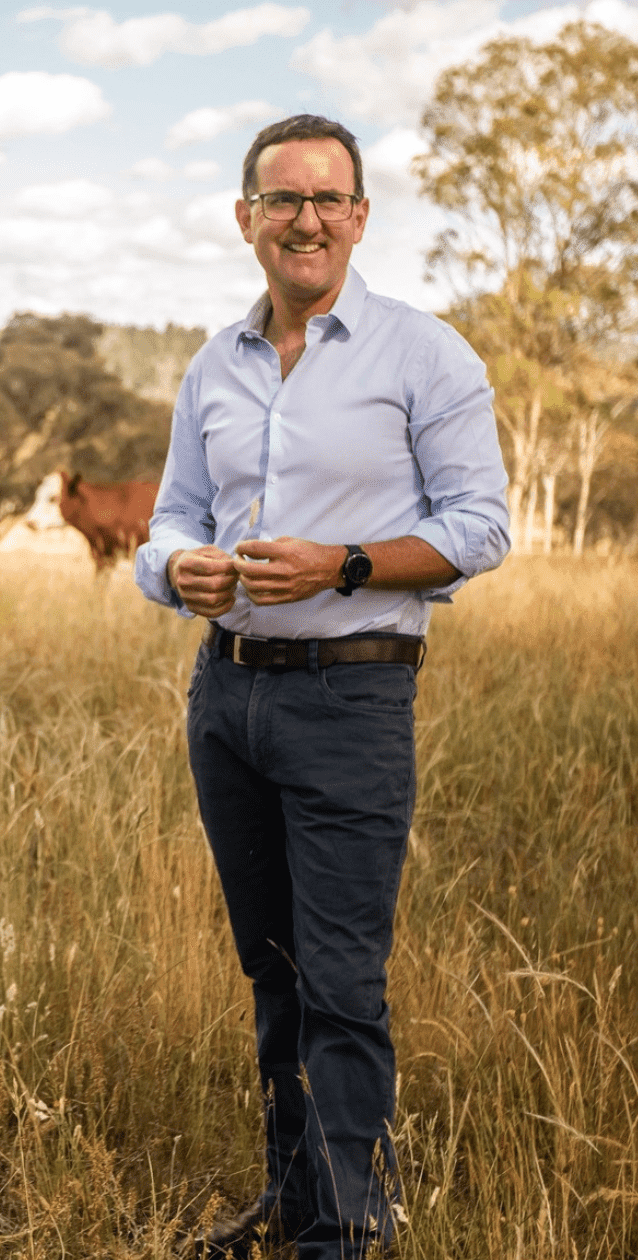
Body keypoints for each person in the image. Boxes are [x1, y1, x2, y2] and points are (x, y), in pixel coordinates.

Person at [135, 114, 510, 1260]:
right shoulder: (215, 363)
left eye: (326, 199)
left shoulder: (422, 354)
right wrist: (176, 571)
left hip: (350, 700)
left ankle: (346, 1233)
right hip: (226, 698)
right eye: (281, 199)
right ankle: (294, 1203)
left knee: (341, 982)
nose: (305, 219)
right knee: (274, 971)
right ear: (244, 216)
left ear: (358, 216)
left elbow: (478, 528)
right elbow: (170, 518)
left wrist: (341, 565)